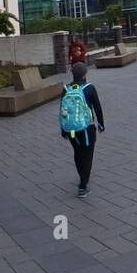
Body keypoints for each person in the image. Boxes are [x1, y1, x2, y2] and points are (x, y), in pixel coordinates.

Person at [55, 61, 105, 197]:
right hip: (86, 129)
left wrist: (63, 129)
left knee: (78, 153)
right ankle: (83, 186)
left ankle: (82, 176)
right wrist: (101, 124)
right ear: (85, 73)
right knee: (87, 155)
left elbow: (62, 110)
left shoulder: (66, 89)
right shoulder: (90, 88)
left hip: (70, 129)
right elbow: (98, 108)